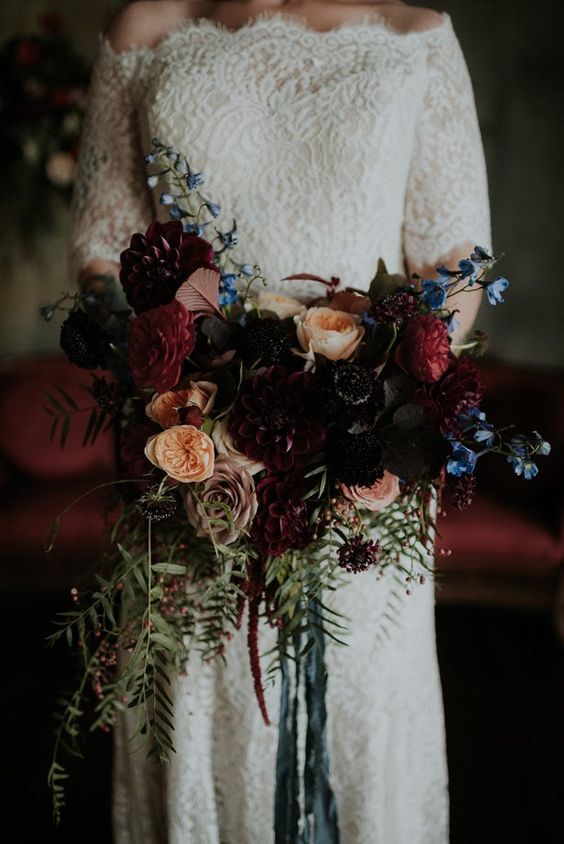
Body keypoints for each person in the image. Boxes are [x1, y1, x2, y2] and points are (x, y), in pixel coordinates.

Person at [69, 1, 491, 841]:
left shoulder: (415, 35)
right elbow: (99, 255)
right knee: (203, 700)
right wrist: (210, 393)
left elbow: (458, 264)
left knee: (359, 708)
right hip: (195, 458)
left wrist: (362, 393)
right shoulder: (143, 34)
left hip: (363, 463)